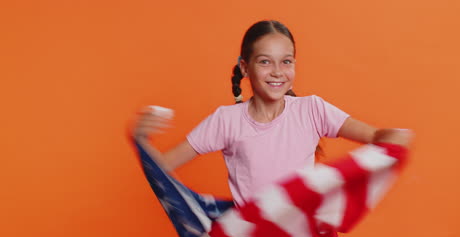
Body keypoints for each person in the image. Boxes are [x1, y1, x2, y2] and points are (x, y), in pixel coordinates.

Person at [132, 20, 411, 207]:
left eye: (286, 61)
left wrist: (393, 136)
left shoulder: (312, 109)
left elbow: (374, 135)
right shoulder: (226, 120)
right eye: (265, 62)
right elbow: (161, 168)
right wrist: (140, 140)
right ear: (245, 67)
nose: (277, 72)